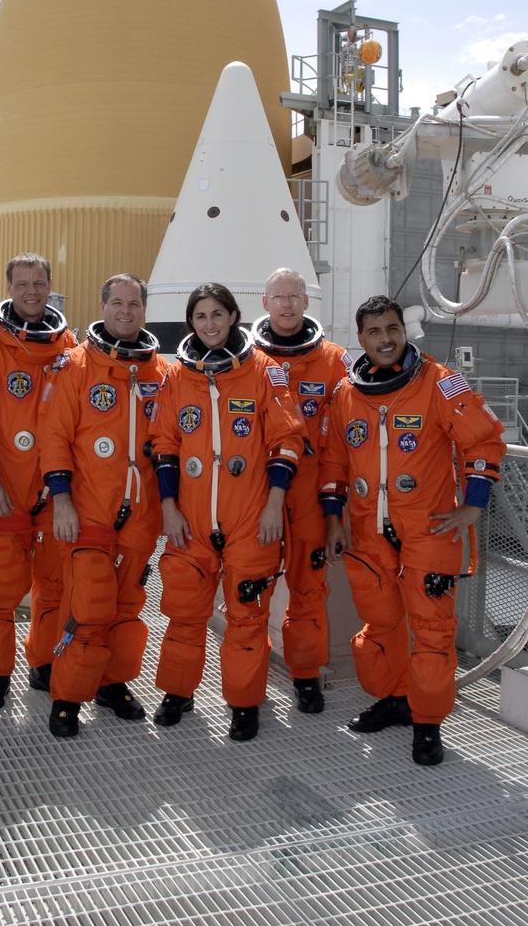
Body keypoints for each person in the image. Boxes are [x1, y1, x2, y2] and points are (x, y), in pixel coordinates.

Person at [320, 295, 507, 766]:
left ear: (403, 331)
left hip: (429, 528)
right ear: (360, 338)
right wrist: (333, 520)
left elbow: (483, 441)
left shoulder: (441, 385)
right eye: (374, 332)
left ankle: (427, 723)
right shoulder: (346, 394)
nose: (385, 339)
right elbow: (334, 463)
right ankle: (396, 698)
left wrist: (474, 504)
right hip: (367, 532)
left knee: (431, 630)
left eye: (392, 329)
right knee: (381, 625)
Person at [152, 284, 306, 742]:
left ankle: (243, 701)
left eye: (217, 314)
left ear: (234, 315)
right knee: (184, 612)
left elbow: (287, 441)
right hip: (192, 521)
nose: (210, 324)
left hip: (251, 518)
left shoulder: (265, 372)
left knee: (247, 618)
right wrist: (168, 508)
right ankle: (178, 693)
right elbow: (164, 447)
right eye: (200, 316)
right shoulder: (177, 377)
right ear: (191, 323)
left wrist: (275, 504)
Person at [38, 274, 167, 738]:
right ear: (102, 304)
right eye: (118, 303)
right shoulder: (75, 366)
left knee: (128, 606)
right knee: (88, 605)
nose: (126, 312)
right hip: (89, 509)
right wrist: (62, 502)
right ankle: (68, 696)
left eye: (134, 304)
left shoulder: (161, 373)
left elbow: (171, 444)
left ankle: (113, 685)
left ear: (144, 310)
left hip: (141, 513)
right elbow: (54, 439)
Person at [0, 252, 76, 710]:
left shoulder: (69, 346)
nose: (31, 290)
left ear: (49, 285)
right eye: (22, 282)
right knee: (3, 587)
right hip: (4, 488)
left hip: (54, 492)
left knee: (53, 585)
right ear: (8, 287)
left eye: (39, 282)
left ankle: (42, 662)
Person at [252, 267, 352, 715]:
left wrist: (335, 505)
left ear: (307, 303)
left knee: (309, 589)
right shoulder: (247, 358)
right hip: (258, 493)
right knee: (251, 589)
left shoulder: (333, 360)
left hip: (310, 493)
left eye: (295, 296)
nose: (287, 304)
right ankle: (247, 682)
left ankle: (306, 675)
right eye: (279, 296)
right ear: (265, 303)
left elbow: (346, 435)